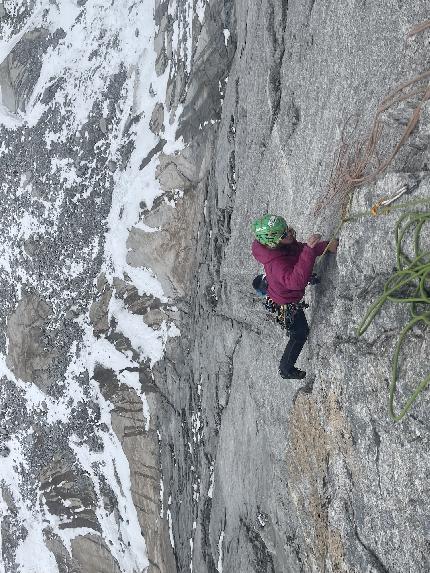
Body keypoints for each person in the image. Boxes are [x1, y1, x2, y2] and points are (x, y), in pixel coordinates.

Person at [251, 214, 338, 379]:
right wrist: (310, 251)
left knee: (299, 330)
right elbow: (295, 282)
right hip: (285, 301)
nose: (289, 234)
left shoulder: (283, 245)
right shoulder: (276, 263)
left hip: (283, 290)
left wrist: (325, 246)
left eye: (286, 230)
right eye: (284, 235)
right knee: (299, 333)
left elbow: (300, 252)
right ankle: (286, 369)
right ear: (273, 242)